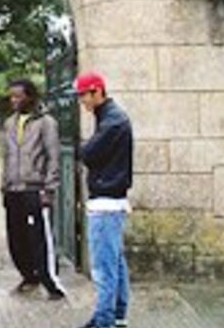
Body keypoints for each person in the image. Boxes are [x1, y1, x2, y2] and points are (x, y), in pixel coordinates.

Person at [72, 71, 132, 328]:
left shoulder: (112, 122)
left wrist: (82, 149)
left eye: (83, 95)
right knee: (115, 261)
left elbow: (88, 154)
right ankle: (117, 313)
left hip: (106, 200)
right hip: (111, 199)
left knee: (104, 267)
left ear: (97, 91)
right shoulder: (109, 117)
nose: (81, 102)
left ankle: (105, 319)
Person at [0, 78, 67, 299]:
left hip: (34, 188)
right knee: (16, 237)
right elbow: (8, 156)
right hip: (13, 189)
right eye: (11, 96)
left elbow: (53, 157)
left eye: (18, 96)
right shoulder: (10, 123)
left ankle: (50, 283)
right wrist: (4, 186)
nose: (14, 100)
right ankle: (29, 276)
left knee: (38, 237)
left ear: (30, 97)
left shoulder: (46, 122)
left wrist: (49, 188)